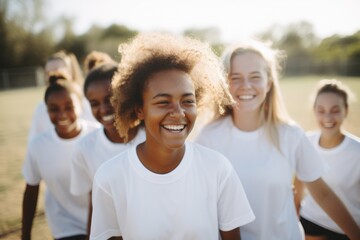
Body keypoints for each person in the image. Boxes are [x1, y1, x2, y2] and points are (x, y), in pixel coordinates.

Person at [90, 32, 255, 240]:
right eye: (163, 102)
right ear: (140, 109)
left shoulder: (217, 169)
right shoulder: (110, 178)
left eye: (187, 101)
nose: (178, 113)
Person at [195, 39, 360, 240]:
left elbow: (323, 195)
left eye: (255, 76)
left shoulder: (291, 135)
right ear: (224, 83)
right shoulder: (209, 136)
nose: (245, 86)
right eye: (235, 77)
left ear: (269, 82)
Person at [70, 63, 145, 236]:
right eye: (94, 103)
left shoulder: (154, 138)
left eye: (110, 99)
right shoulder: (85, 148)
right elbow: (94, 201)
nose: (103, 109)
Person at [22, 79, 99, 240]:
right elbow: (31, 190)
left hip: (102, 223)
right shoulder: (38, 146)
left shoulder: (98, 135)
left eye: (69, 107)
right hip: (65, 227)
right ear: (46, 110)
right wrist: (25, 234)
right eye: (54, 109)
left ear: (80, 105)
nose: (62, 114)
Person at [294, 79, 360, 240]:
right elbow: (298, 184)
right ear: (314, 111)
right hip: (310, 222)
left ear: (346, 110)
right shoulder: (305, 142)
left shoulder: (357, 151)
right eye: (321, 110)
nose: (328, 117)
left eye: (335, 110)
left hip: (348, 229)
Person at [28, 51, 98, 142]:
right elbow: (34, 142)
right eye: (48, 72)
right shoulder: (41, 108)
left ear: (71, 73)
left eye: (59, 70)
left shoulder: (88, 103)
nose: (53, 75)